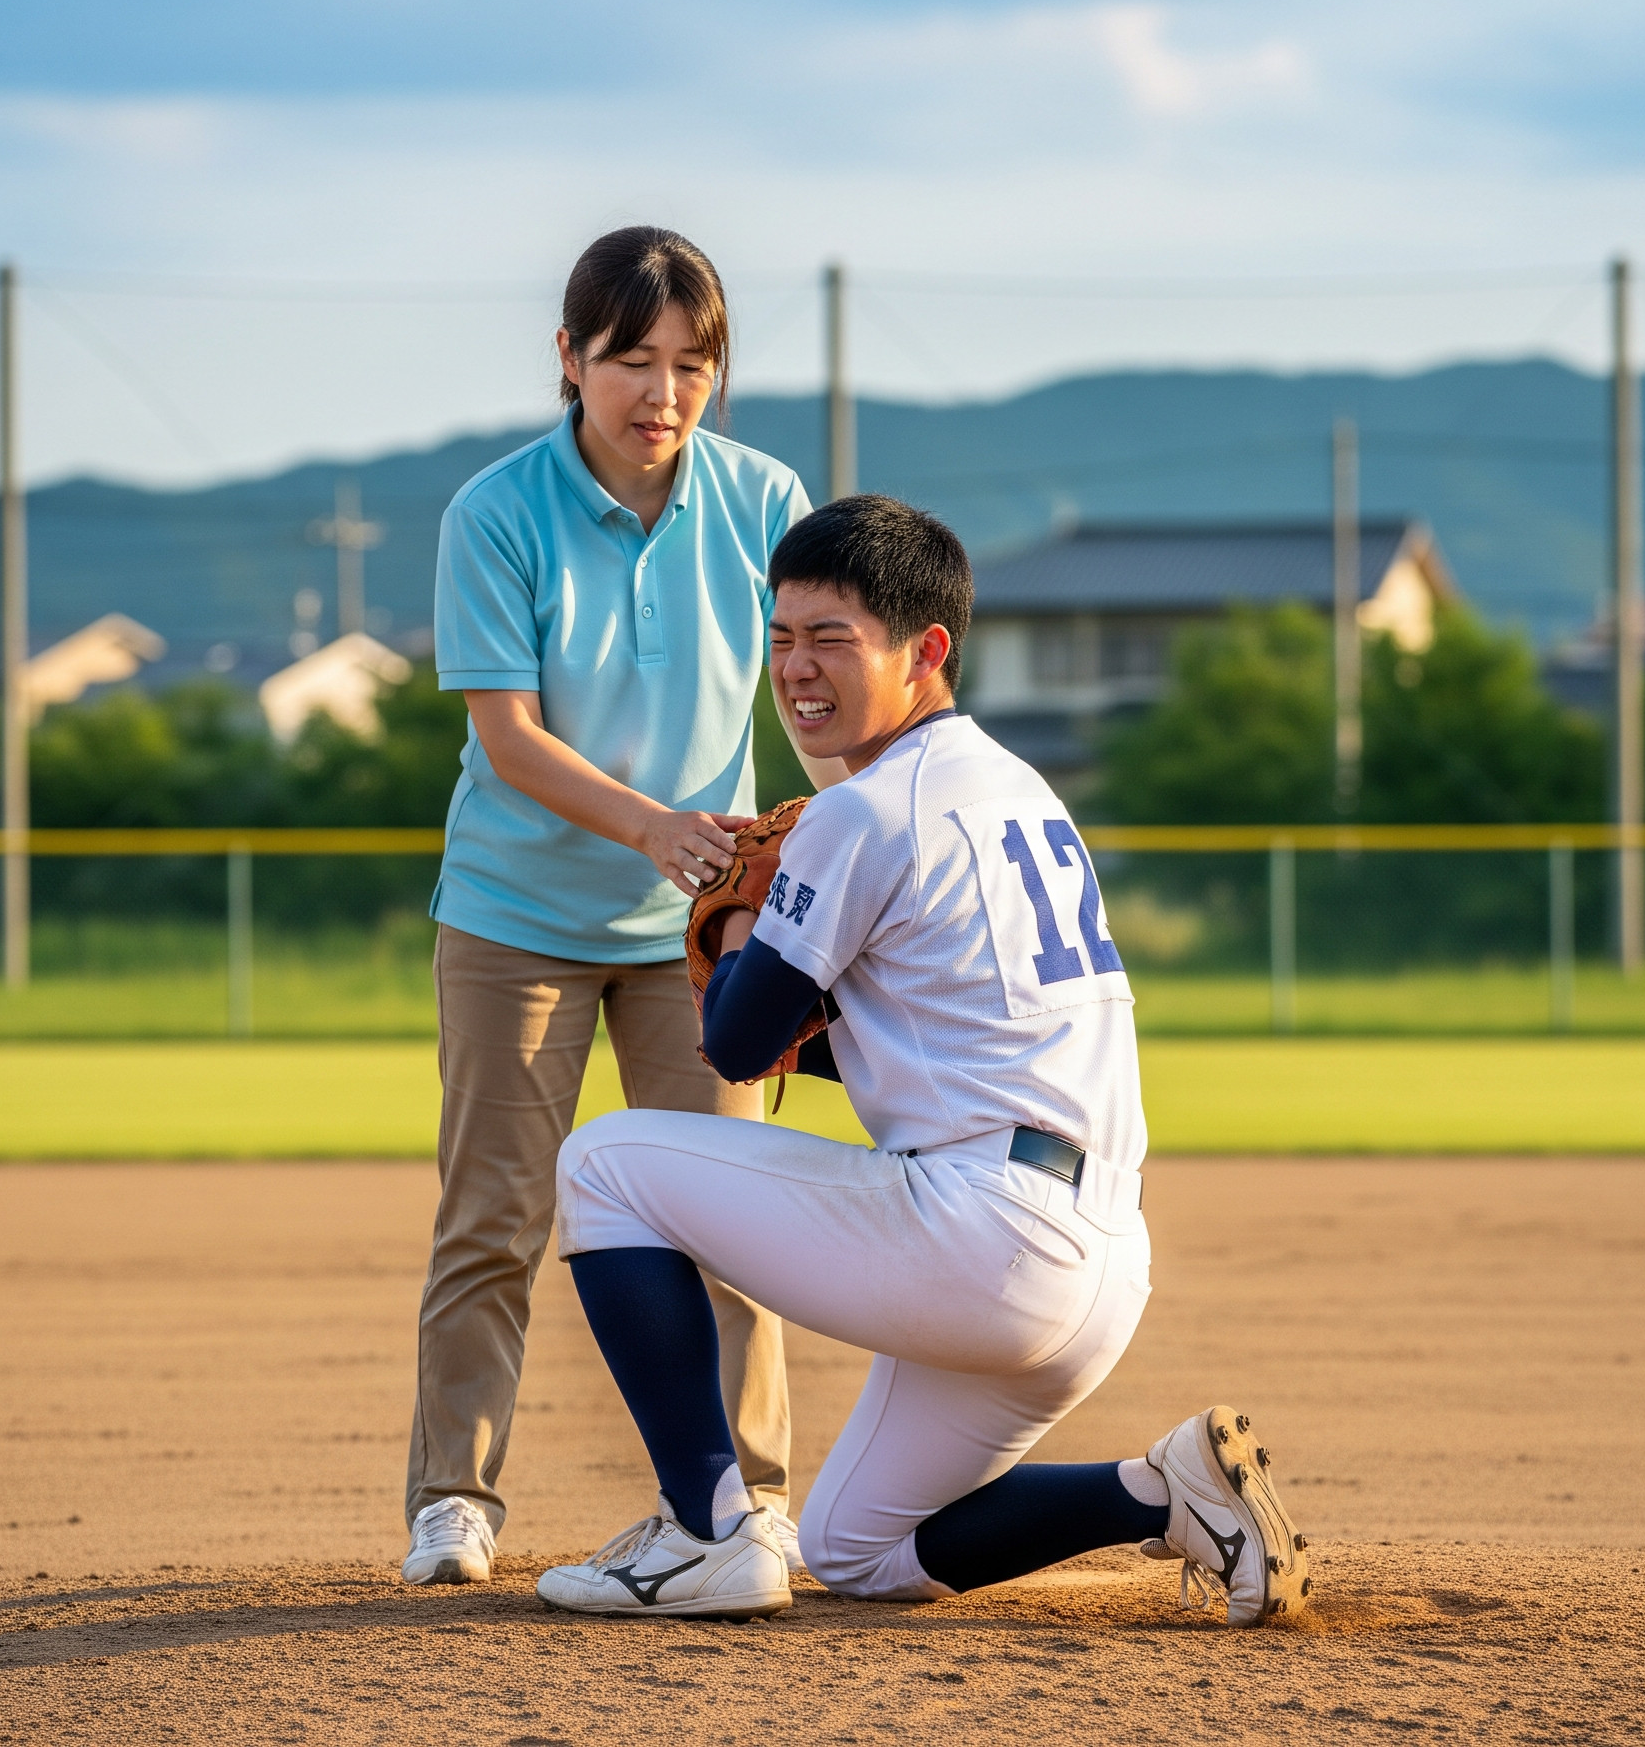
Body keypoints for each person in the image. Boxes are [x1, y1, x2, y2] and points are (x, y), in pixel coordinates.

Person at [530, 494, 1309, 1624]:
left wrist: (738, 911)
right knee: (855, 1548)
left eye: (830, 637)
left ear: (926, 650)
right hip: (1098, 1261)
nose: (795, 667)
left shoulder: (866, 809)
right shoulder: (1019, 789)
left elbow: (736, 1044)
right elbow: (924, 1035)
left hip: (985, 1235)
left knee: (603, 1166)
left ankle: (703, 1528)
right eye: (780, 636)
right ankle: (1158, 1491)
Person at [402, 226, 836, 1587]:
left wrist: (832, 841)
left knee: (732, 1222)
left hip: (699, 932)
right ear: (570, 358)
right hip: (513, 918)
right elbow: (509, 739)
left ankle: (749, 1501)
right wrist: (654, 826)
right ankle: (453, 1500)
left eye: (694, 363)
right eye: (633, 359)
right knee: (494, 1217)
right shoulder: (495, 512)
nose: (664, 391)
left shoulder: (765, 498)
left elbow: (811, 693)